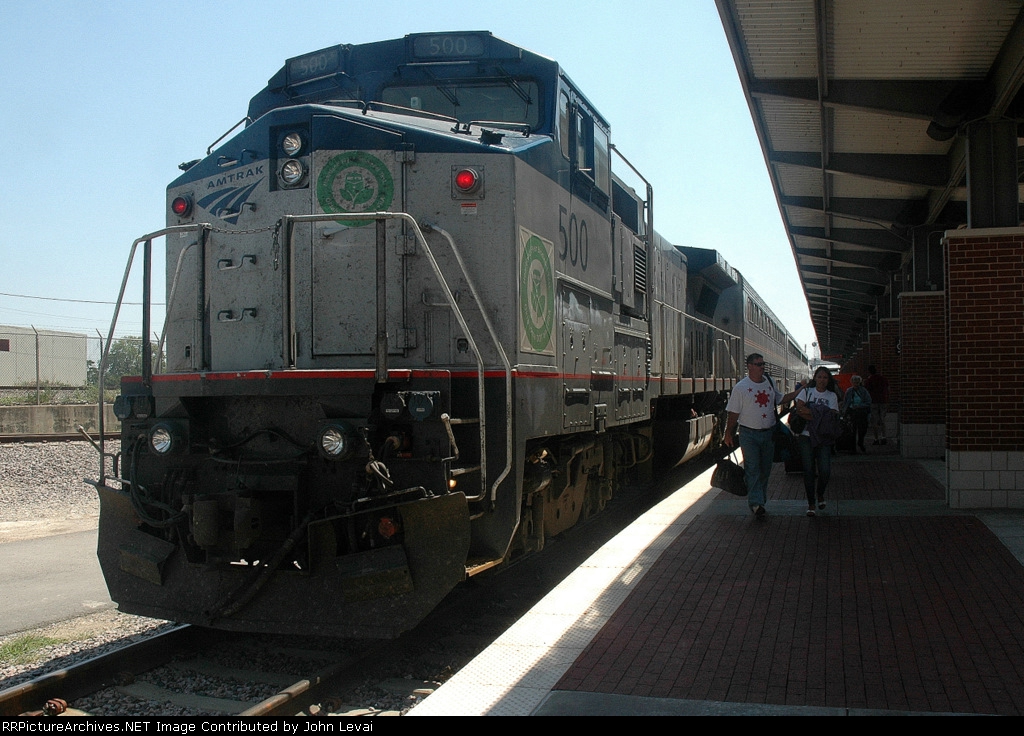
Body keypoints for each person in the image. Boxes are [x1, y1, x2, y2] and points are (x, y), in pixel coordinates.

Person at [724, 354, 803, 517]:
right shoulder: (741, 388)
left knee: (765, 469)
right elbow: (733, 413)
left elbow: (780, 399)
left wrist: (800, 391)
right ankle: (756, 503)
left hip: (769, 434)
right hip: (748, 434)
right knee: (752, 468)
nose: (762, 367)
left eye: (763, 364)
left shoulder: (769, 382)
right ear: (749, 366)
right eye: (758, 364)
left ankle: (760, 500)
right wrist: (728, 432)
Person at [794, 366, 840, 516]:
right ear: (815, 378)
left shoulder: (832, 396)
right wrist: (820, 415)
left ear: (828, 380)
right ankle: (811, 503)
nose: (822, 380)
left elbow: (832, 416)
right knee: (808, 470)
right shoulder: (806, 392)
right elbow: (799, 411)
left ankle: (820, 493)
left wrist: (811, 412)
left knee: (825, 470)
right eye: (819, 377)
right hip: (806, 437)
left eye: (825, 377)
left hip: (823, 438)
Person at [843, 374, 872, 453]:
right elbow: (846, 402)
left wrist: (860, 406)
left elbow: (868, 402)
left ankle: (860, 442)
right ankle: (853, 448)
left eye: (857, 382)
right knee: (852, 430)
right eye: (854, 382)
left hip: (861, 412)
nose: (856, 384)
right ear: (852, 382)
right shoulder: (849, 391)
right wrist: (844, 411)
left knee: (862, 429)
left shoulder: (863, 391)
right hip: (852, 412)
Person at [864, 365, 889, 445]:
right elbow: (888, 389)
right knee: (882, 420)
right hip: (883, 401)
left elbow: (866, 391)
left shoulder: (869, 380)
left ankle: (876, 439)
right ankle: (884, 437)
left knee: (874, 421)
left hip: (873, 401)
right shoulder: (883, 378)